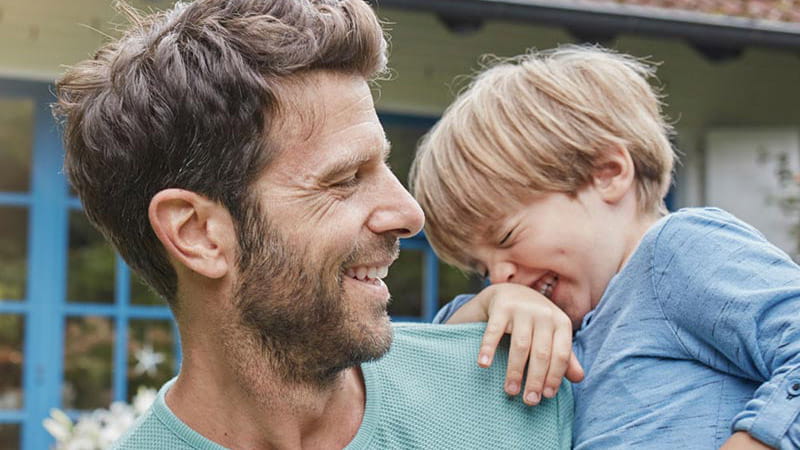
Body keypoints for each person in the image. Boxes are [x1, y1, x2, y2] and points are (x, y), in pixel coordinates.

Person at [52, 0, 574, 448]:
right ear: (197, 234)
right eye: (345, 177)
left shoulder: (520, 393)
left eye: (383, 166)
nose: (409, 214)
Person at [411, 45, 800, 449]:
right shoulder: (561, 330)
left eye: (507, 237)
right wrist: (486, 306)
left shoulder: (676, 253)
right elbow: (422, 383)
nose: (497, 275)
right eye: (481, 268)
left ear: (608, 175)